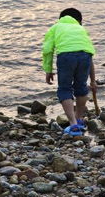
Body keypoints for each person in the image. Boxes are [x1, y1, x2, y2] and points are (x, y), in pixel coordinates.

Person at [42, 7, 98, 137]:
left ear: (60, 19)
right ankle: (78, 119)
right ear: (79, 21)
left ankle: (73, 124)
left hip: (66, 56)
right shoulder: (81, 29)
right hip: (85, 57)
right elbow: (89, 56)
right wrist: (93, 81)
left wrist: (48, 70)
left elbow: (47, 50)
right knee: (81, 87)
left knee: (64, 89)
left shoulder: (55, 27)